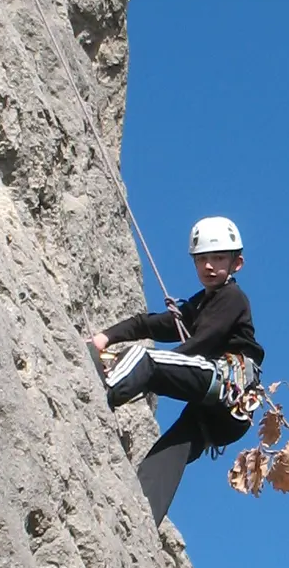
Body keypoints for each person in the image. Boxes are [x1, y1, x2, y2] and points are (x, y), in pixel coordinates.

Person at [89, 216, 265, 525]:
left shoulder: (232, 299)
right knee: (171, 451)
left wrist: (157, 370)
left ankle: (103, 387)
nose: (209, 266)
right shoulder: (198, 306)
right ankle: (141, 517)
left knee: (147, 360)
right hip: (224, 417)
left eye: (218, 258)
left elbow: (202, 342)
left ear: (237, 263)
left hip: (227, 385)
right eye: (202, 259)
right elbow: (151, 324)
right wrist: (106, 336)